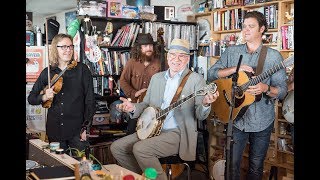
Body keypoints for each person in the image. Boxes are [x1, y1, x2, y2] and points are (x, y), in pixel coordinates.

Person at [110, 38, 219, 180]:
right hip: (152, 129)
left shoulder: (196, 80)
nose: (176, 59)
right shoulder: (157, 78)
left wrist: (205, 103)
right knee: (117, 147)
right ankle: (147, 177)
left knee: (141, 149)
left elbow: (200, 115)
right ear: (168, 57)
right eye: (173, 55)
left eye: (181, 56)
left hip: (178, 133)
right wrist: (132, 108)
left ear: (187, 59)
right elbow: (145, 104)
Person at [207, 11, 288, 180]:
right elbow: (212, 74)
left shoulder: (273, 57)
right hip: (235, 118)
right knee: (231, 165)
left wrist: (266, 88)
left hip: (262, 121)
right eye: (244, 26)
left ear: (262, 29)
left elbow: (282, 91)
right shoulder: (231, 52)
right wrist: (234, 69)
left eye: (251, 26)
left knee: (256, 166)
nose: (246, 30)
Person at [28, 33, 96, 152]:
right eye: (64, 47)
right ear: (55, 49)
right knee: (59, 166)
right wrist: (44, 97)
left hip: (77, 130)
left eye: (70, 46)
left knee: (81, 167)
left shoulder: (82, 70)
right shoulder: (47, 72)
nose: (68, 50)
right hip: (55, 130)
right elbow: (31, 98)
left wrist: (86, 127)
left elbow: (90, 101)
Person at [110, 33, 161, 134]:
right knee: (133, 131)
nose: (149, 48)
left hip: (154, 105)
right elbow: (123, 80)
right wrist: (135, 93)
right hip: (136, 104)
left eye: (151, 46)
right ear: (139, 48)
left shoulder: (160, 62)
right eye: (145, 46)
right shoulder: (132, 62)